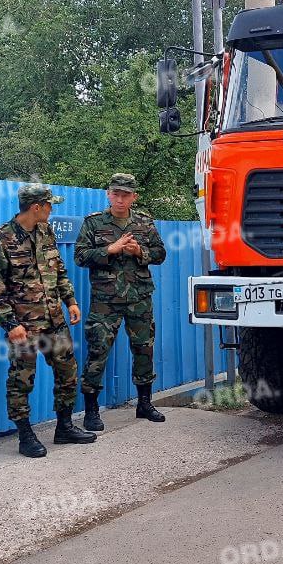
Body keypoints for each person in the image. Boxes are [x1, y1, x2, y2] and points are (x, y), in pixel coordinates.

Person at [0, 184, 96, 458]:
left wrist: (70, 300)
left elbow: (58, 268)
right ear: (36, 207)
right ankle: (25, 435)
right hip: (24, 326)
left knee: (68, 372)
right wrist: (10, 325)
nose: (52, 209)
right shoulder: (0, 240)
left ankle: (65, 427)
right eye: (49, 204)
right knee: (21, 380)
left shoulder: (46, 231)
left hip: (54, 320)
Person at [76, 173, 168, 431]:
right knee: (98, 352)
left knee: (144, 350)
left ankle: (145, 404)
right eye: (115, 193)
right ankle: (91, 411)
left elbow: (160, 253)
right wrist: (110, 250)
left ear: (133, 197)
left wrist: (141, 252)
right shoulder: (93, 223)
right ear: (108, 194)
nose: (119, 199)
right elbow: (80, 257)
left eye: (125, 194)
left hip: (139, 297)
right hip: (106, 301)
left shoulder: (144, 223)